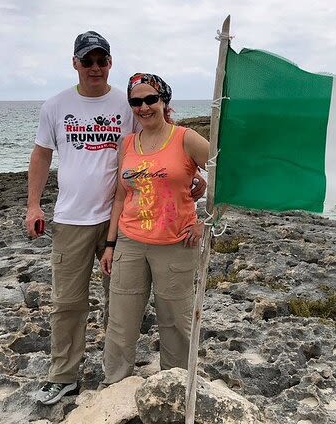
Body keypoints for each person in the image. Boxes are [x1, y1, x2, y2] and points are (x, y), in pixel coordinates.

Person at [26, 33, 204, 405]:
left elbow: (162, 144)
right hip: (72, 218)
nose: (94, 67)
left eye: (101, 60)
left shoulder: (125, 105)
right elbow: (42, 155)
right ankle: (64, 376)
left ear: (110, 62)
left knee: (120, 305)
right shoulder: (55, 106)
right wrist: (33, 205)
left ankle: (125, 375)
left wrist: (195, 179)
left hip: (122, 221)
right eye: (86, 61)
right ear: (75, 63)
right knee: (67, 302)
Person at [99, 73, 210, 387]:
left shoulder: (185, 138)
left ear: (164, 101)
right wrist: (110, 245)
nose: (143, 107)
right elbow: (121, 195)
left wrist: (206, 222)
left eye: (151, 99)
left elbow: (227, 171)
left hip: (176, 244)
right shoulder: (128, 143)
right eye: (136, 102)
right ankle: (115, 383)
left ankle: (175, 385)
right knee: (120, 321)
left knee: (176, 323)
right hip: (130, 242)